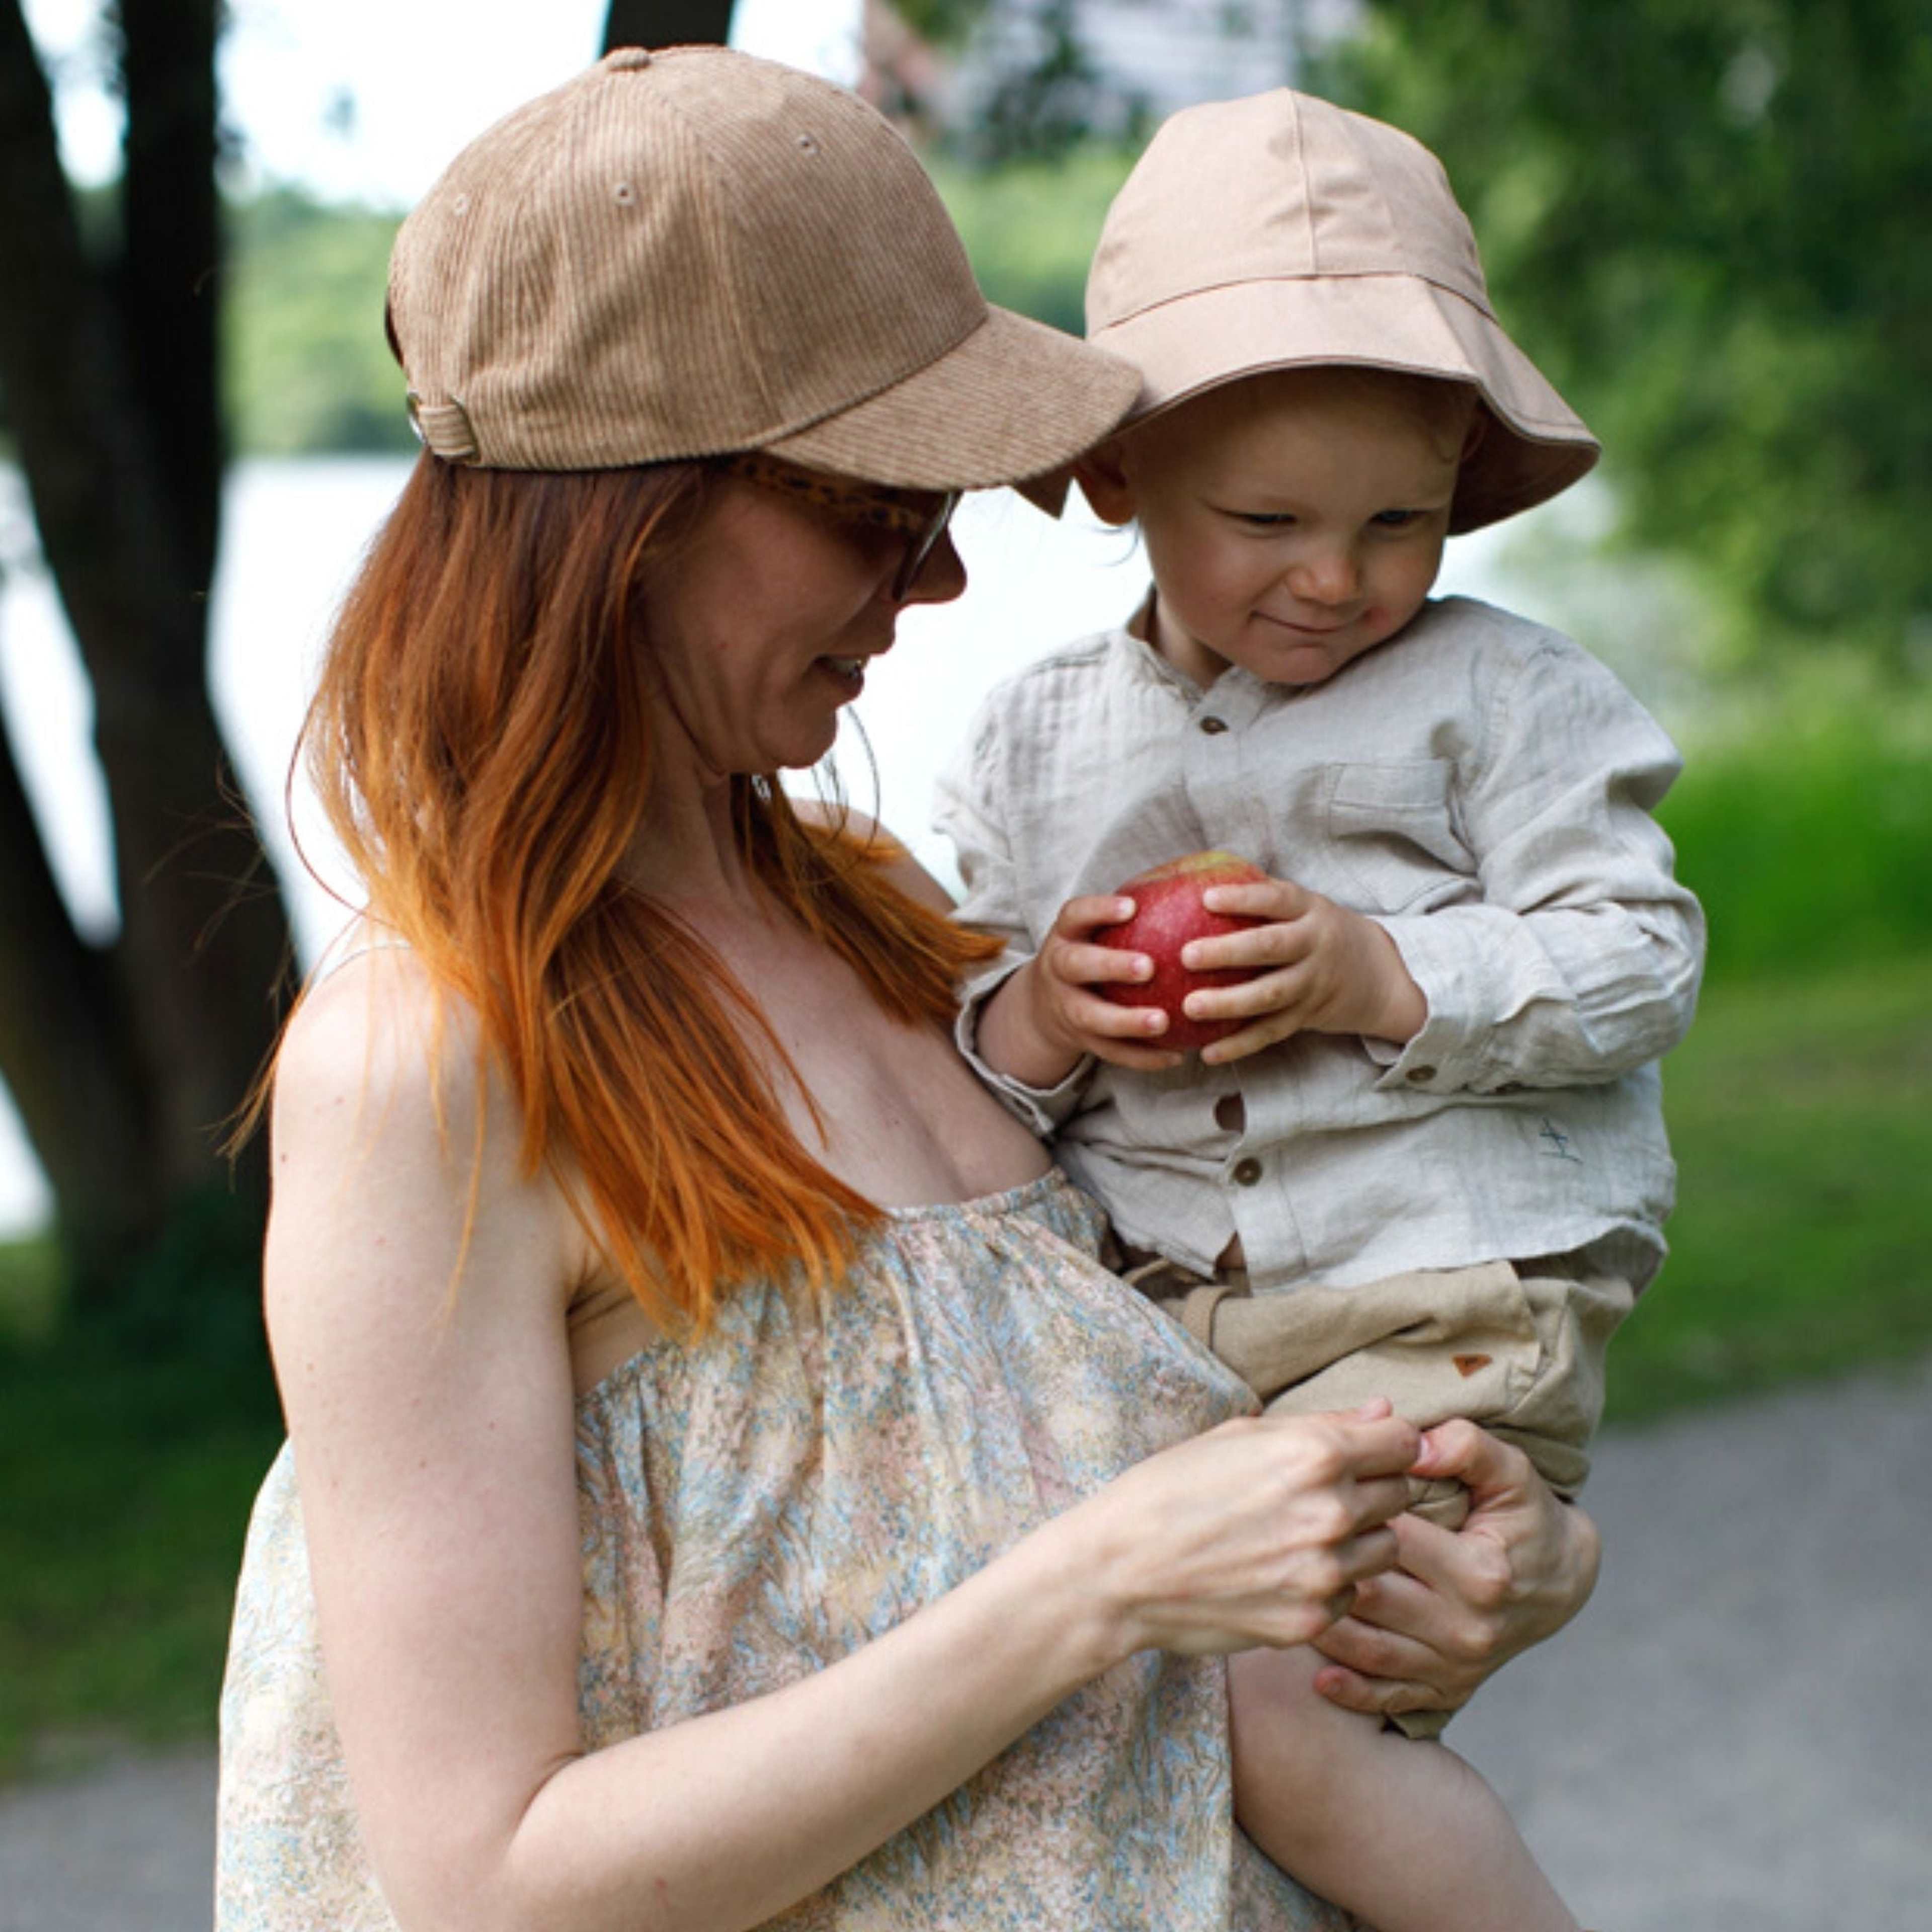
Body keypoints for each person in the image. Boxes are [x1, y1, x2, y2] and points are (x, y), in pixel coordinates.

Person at [216, 50, 1603, 1932]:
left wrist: (1501, 1558)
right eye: (877, 507)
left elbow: (1254, 1361)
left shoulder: (915, 943)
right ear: (628, 518)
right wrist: (1099, 1583)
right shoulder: (438, 1062)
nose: (945, 577)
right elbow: (487, 1878)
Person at [936, 87, 1704, 1932]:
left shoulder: (1501, 700)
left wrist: (1387, 970)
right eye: (1265, 517)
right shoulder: (1036, 747)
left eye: (1402, 520)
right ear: (1116, 482)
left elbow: (1640, 953)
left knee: (1291, 1710)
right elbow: (953, 1045)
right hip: (1182, 1347)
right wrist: (1045, 1014)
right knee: (1111, 1703)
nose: (1338, 577)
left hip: (1443, 1308)